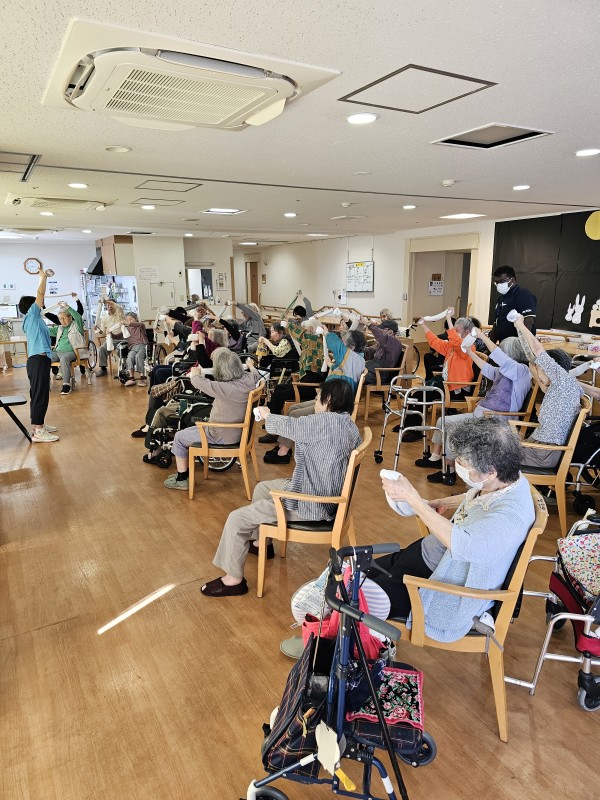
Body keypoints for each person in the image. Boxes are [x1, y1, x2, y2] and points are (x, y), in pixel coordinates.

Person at [368, 416, 535, 642]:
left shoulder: (510, 517)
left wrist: (413, 499)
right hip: (424, 556)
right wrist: (443, 502)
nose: (458, 465)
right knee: (349, 576)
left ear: (491, 472)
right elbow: (479, 498)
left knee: (353, 598)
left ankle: (361, 649)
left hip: (430, 581)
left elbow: (465, 546)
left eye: (464, 464)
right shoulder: (510, 480)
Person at [200, 379, 362, 597]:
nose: (315, 402)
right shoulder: (348, 425)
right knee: (262, 489)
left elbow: (292, 426)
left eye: (317, 398)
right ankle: (261, 542)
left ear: (329, 400)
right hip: (326, 492)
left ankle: (233, 580)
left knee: (236, 519)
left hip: (312, 503)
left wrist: (267, 415)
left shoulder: (324, 423)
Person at [416, 332, 531, 485]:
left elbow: (499, 357)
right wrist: (470, 352)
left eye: (503, 351)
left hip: (496, 419)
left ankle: (449, 471)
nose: (499, 354)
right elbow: (487, 369)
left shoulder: (521, 370)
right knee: (443, 421)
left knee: (454, 430)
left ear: (510, 354)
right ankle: (437, 458)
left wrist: (482, 336)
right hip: (482, 415)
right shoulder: (506, 370)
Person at [263, 326, 365, 464]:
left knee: (295, 414)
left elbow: (335, 344)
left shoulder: (353, 358)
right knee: (293, 408)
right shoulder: (355, 360)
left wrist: (326, 332)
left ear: (351, 347)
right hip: (329, 400)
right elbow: (344, 372)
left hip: (333, 405)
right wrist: (331, 366)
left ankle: (283, 453)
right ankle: (284, 445)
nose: (341, 346)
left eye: (343, 343)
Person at [163, 349, 259, 490]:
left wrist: (195, 373)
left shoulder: (225, 388)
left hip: (220, 435)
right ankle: (182, 474)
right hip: (237, 432)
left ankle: (182, 478)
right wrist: (250, 365)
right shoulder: (248, 380)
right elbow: (256, 374)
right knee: (190, 430)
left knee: (179, 437)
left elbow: (197, 382)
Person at [513, 313, 584, 468]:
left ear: (551, 368)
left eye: (540, 369)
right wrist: (519, 329)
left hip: (543, 454)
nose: (537, 374)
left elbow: (538, 350)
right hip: (540, 448)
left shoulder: (563, 382)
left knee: (492, 455)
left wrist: (521, 325)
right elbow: (532, 356)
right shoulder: (561, 387)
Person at [18, 266, 59, 442]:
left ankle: (38, 424)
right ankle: (38, 431)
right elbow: (40, 294)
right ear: (31, 306)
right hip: (38, 360)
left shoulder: (33, 318)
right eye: (36, 302)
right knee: (40, 394)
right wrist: (43, 277)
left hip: (38, 360)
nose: (40, 302)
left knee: (38, 393)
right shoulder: (33, 315)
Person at [417, 309, 475, 398]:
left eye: (457, 331)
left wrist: (448, 317)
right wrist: (423, 325)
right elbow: (436, 342)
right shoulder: (452, 346)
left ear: (467, 332)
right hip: (448, 384)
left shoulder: (468, 346)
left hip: (458, 389)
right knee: (419, 392)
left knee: (421, 395)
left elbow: (456, 341)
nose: (453, 333)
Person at [46, 303, 85, 395]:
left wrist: (67, 307)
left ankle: (66, 385)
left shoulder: (77, 325)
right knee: (45, 358)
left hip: (72, 352)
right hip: (57, 352)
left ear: (70, 317)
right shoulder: (59, 328)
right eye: (60, 319)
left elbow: (78, 317)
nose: (62, 321)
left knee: (64, 359)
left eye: (64, 318)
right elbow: (46, 330)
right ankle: (44, 383)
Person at [489, 266, 537, 342]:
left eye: (502, 281)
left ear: (513, 279)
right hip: (503, 343)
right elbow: (496, 324)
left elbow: (529, 320)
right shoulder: (501, 299)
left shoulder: (523, 294)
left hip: (517, 343)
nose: (499, 284)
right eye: (497, 282)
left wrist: (523, 343)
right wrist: (491, 346)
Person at [362, 317, 403, 385]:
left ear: (390, 332)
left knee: (356, 375)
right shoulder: (384, 343)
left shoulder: (395, 342)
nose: (381, 332)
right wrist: (358, 349)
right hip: (374, 371)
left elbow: (381, 335)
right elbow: (370, 351)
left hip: (381, 374)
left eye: (382, 330)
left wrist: (368, 324)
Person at [95, 299, 125, 376]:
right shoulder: (104, 317)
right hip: (111, 339)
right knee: (102, 349)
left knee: (121, 349)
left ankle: (123, 368)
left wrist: (106, 301)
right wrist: (98, 330)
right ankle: (103, 369)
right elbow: (103, 331)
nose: (109, 306)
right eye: (108, 305)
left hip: (121, 339)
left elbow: (119, 307)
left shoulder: (120, 313)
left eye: (111, 305)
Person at [121, 312, 149, 387]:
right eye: (127, 320)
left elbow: (140, 324)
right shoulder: (127, 330)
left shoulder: (140, 326)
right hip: (133, 348)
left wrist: (128, 323)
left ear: (136, 319)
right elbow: (118, 336)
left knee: (138, 356)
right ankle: (131, 378)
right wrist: (111, 333)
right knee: (130, 357)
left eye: (131, 319)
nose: (129, 321)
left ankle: (142, 378)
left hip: (142, 346)